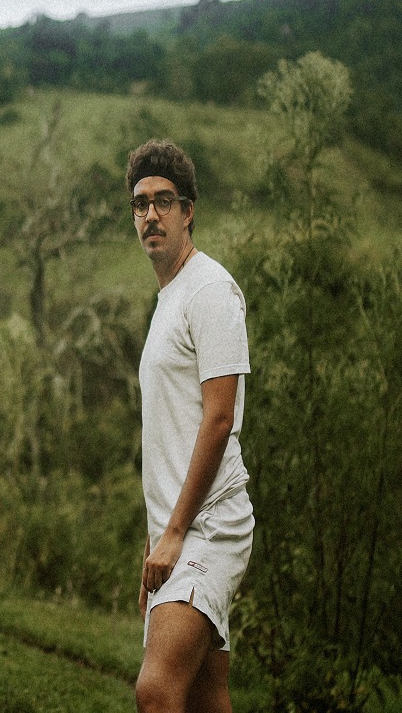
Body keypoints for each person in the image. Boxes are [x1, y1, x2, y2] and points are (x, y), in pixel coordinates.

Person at [126, 139, 253, 713]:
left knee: (155, 692)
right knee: (206, 697)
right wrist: (156, 538)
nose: (151, 214)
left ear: (188, 210)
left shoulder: (211, 290)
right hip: (176, 529)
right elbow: (169, 435)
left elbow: (219, 418)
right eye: (141, 203)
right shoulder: (170, 298)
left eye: (164, 201)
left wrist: (176, 533)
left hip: (212, 523)